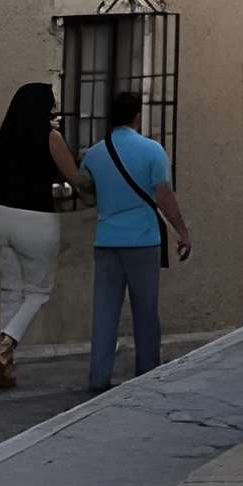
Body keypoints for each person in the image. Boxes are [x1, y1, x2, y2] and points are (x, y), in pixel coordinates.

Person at [82, 91, 191, 393]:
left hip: (106, 240)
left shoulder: (94, 154)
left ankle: (98, 376)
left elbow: (86, 192)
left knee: (104, 311)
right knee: (145, 310)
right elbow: (164, 196)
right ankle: (146, 371)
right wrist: (182, 231)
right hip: (142, 240)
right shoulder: (152, 150)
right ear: (136, 116)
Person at [0, 83, 86, 388]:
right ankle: (4, 347)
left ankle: (5, 370)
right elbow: (74, 177)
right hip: (36, 220)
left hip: (2, 219)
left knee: (10, 291)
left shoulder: (6, 135)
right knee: (38, 292)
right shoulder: (50, 136)